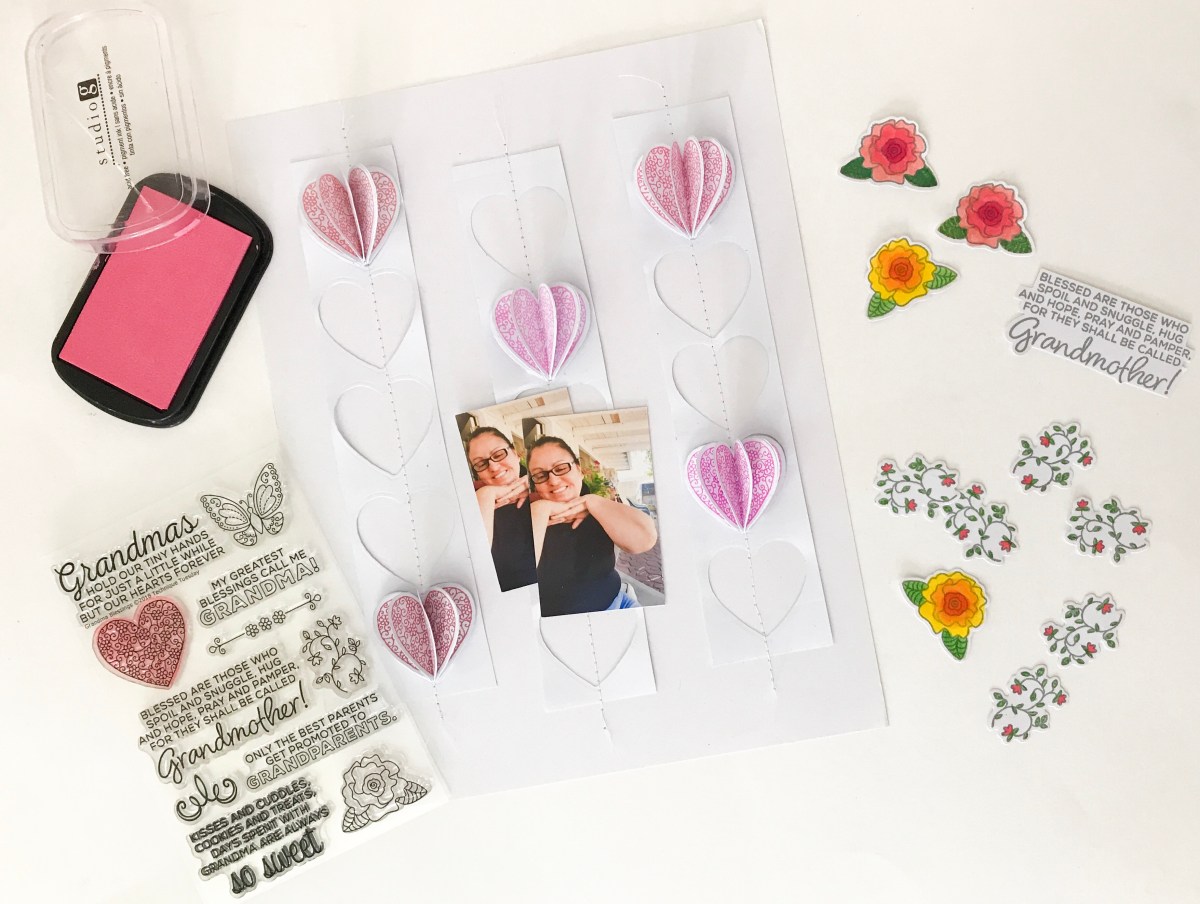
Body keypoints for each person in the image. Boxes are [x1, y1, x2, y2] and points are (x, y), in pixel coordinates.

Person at [527, 436, 657, 617]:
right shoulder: (529, 517)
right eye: (540, 475)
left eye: (561, 468)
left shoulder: (597, 509)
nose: (554, 481)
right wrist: (540, 510)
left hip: (620, 604)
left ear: (579, 470)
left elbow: (645, 540)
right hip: (568, 625)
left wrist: (593, 501)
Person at [465, 426, 537, 591]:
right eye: (480, 464)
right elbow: (476, 563)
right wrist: (486, 494)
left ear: (515, 453)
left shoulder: (547, 488)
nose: (493, 467)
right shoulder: (474, 501)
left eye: (498, 454)